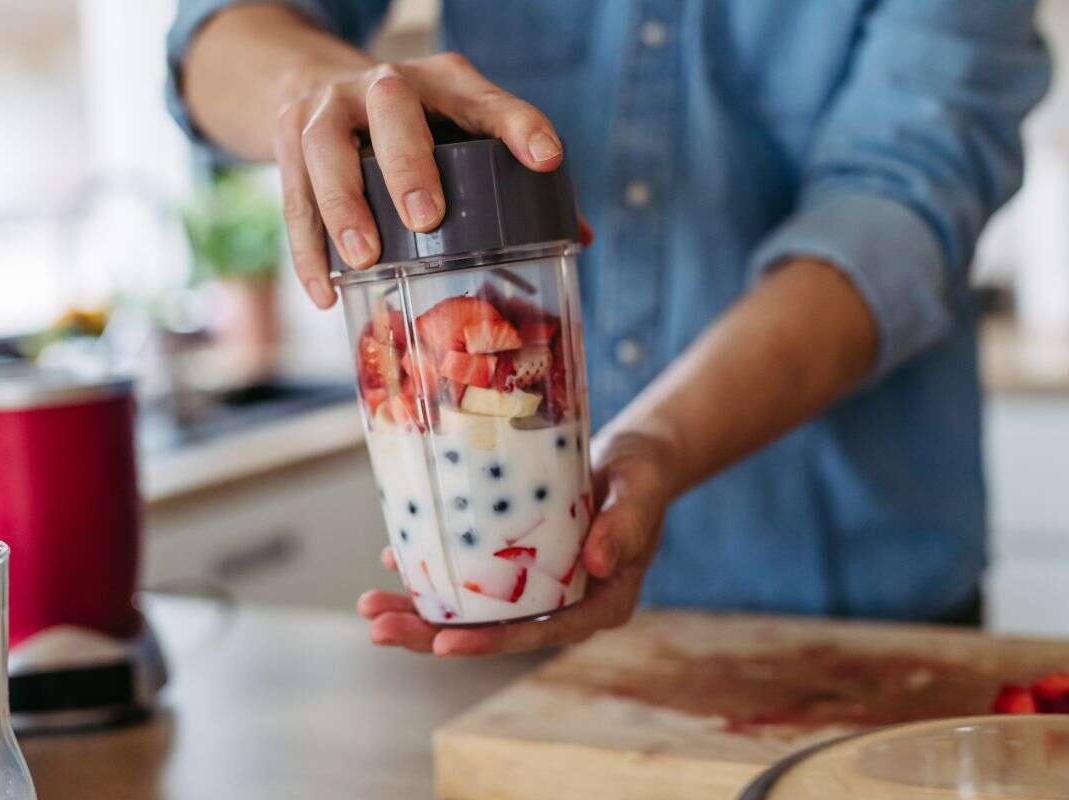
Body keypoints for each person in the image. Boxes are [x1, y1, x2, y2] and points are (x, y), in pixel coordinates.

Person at [167, 1, 1050, 656]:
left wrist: (657, 445)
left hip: (854, 616)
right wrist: (319, 86)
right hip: (515, 612)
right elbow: (213, 35)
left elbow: (896, 216)